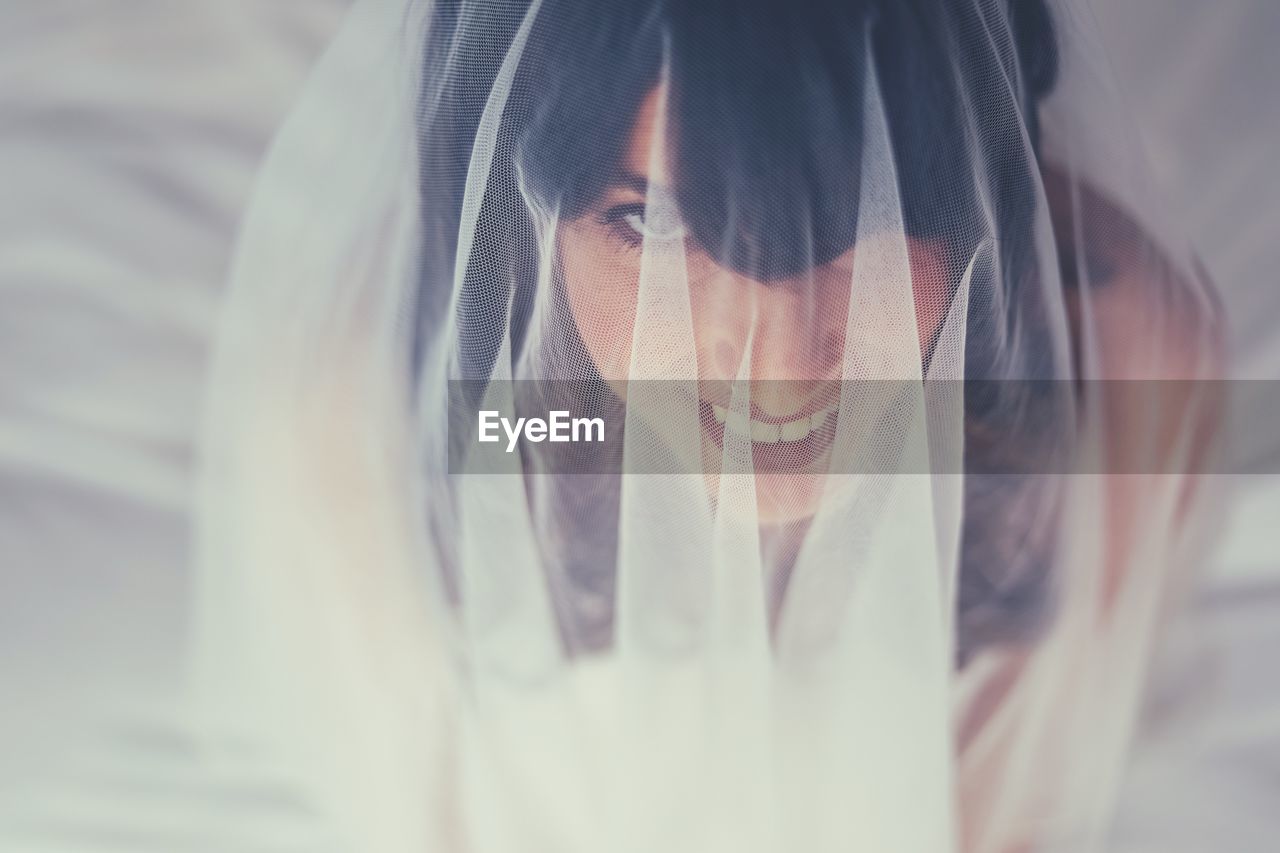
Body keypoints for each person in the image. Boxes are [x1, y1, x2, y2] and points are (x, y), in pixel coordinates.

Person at [193, 1, 1222, 851]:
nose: (771, 360)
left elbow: (1018, 804)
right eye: (649, 224)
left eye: (866, 213)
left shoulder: (1132, 364)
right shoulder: (361, 414)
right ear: (519, 222)